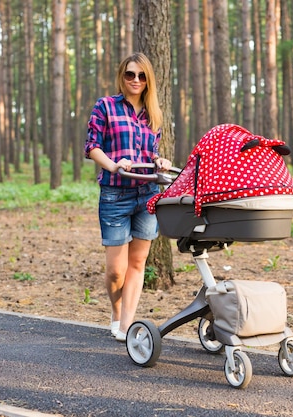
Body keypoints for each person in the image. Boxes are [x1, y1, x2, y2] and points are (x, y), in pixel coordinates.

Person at [84, 52, 172, 342]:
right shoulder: (106, 106)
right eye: (130, 74)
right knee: (115, 272)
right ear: (122, 76)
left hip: (147, 194)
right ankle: (117, 310)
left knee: (137, 264)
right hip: (114, 194)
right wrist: (114, 165)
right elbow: (92, 147)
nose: (136, 80)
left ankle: (126, 327)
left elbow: (150, 151)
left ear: (149, 81)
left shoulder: (153, 114)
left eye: (142, 76)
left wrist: (159, 160)